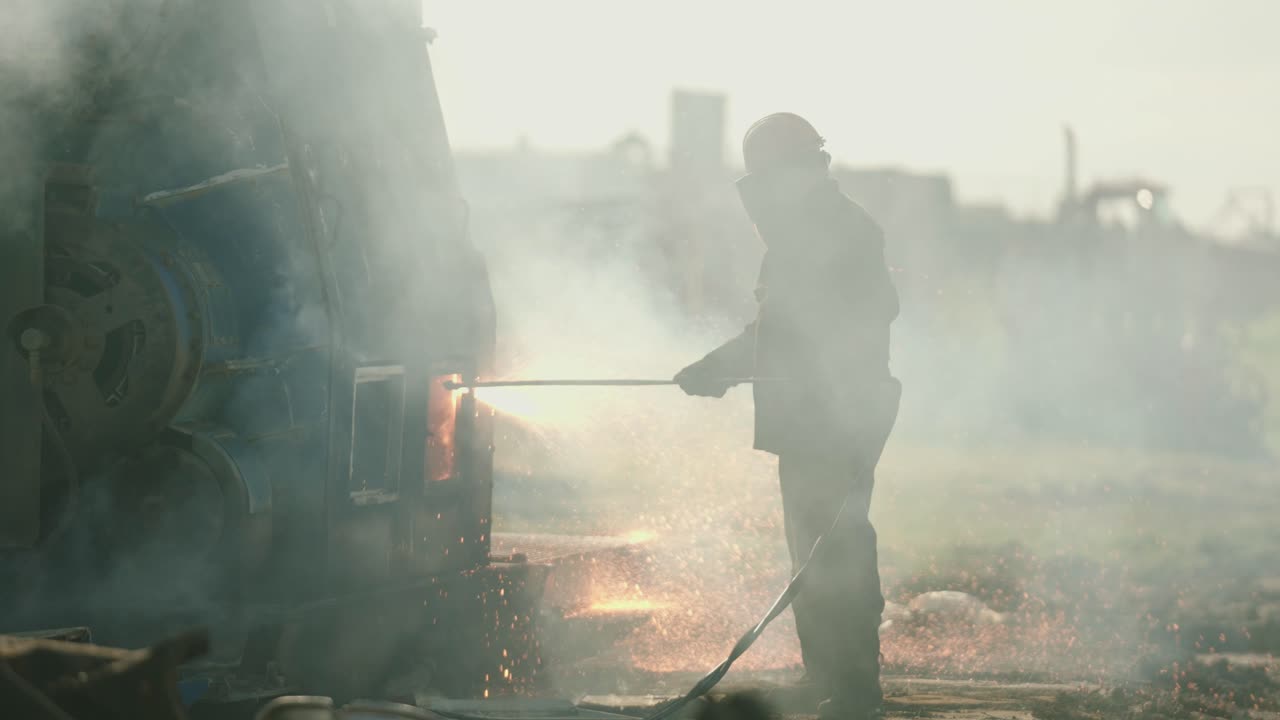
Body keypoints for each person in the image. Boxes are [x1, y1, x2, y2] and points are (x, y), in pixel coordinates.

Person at [674, 112, 902, 720]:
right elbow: (778, 330)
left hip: (838, 419)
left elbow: (817, 325)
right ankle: (825, 675)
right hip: (812, 420)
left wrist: (723, 366)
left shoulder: (837, 232)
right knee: (811, 551)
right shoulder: (810, 231)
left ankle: (854, 691)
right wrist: (722, 366)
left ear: (796, 172)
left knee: (839, 549)